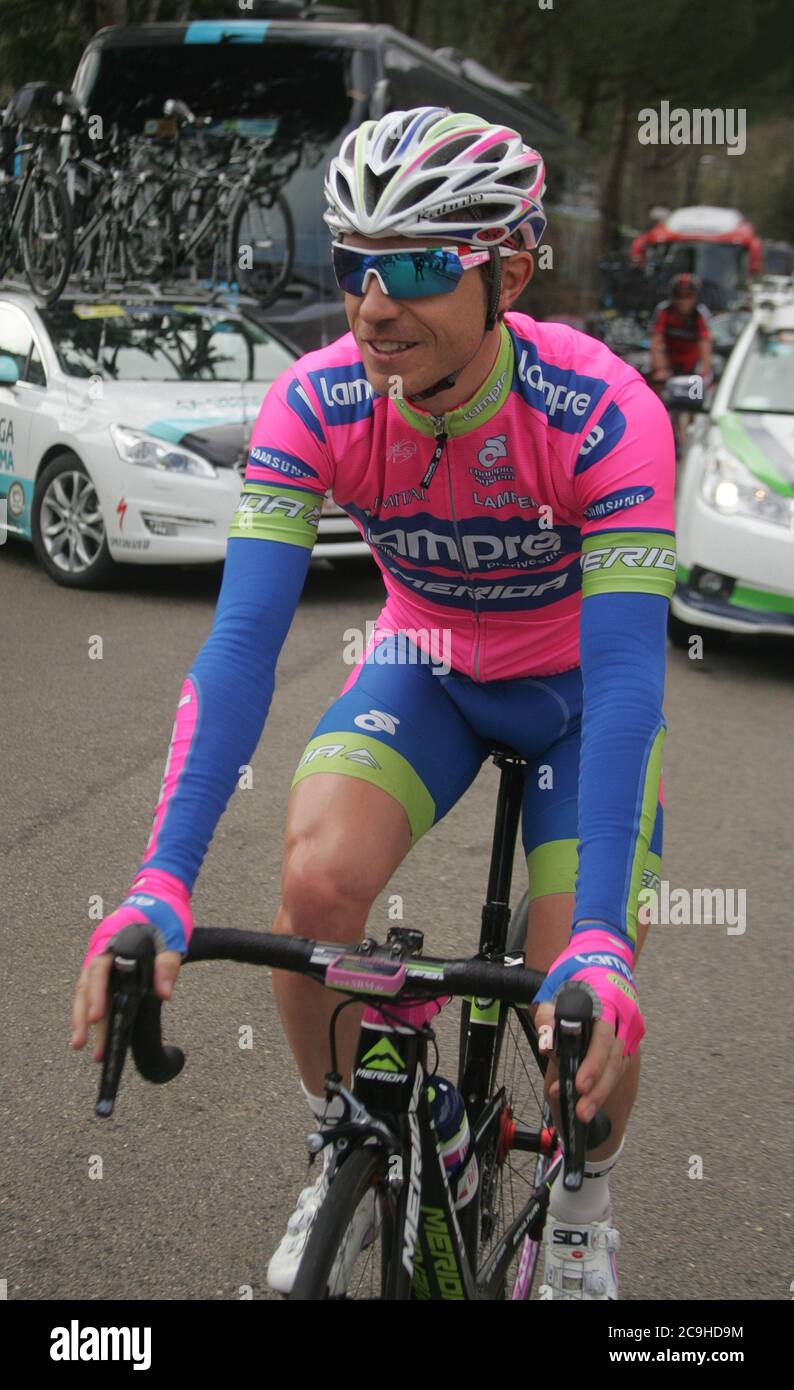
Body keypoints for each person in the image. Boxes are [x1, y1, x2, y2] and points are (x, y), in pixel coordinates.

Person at [71, 106, 676, 1301]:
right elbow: (241, 649)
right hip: (429, 669)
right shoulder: (316, 403)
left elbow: (620, 684)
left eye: (413, 267)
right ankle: (343, 1127)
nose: (372, 305)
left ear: (506, 267)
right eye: (354, 264)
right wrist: (159, 880)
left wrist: (599, 940)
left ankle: (580, 1207)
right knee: (314, 887)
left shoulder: (603, 415)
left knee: (577, 1011)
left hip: (570, 704)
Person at [649, 271, 713, 386]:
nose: (683, 301)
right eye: (679, 296)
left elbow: (705, 343)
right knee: (657, 378)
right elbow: (656, 341)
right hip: (669, 361)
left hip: (693, 363)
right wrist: (659, 368)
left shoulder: (701, 313)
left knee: (703, 384)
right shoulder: (664, 311)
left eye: (688, 296)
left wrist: (705, 370)